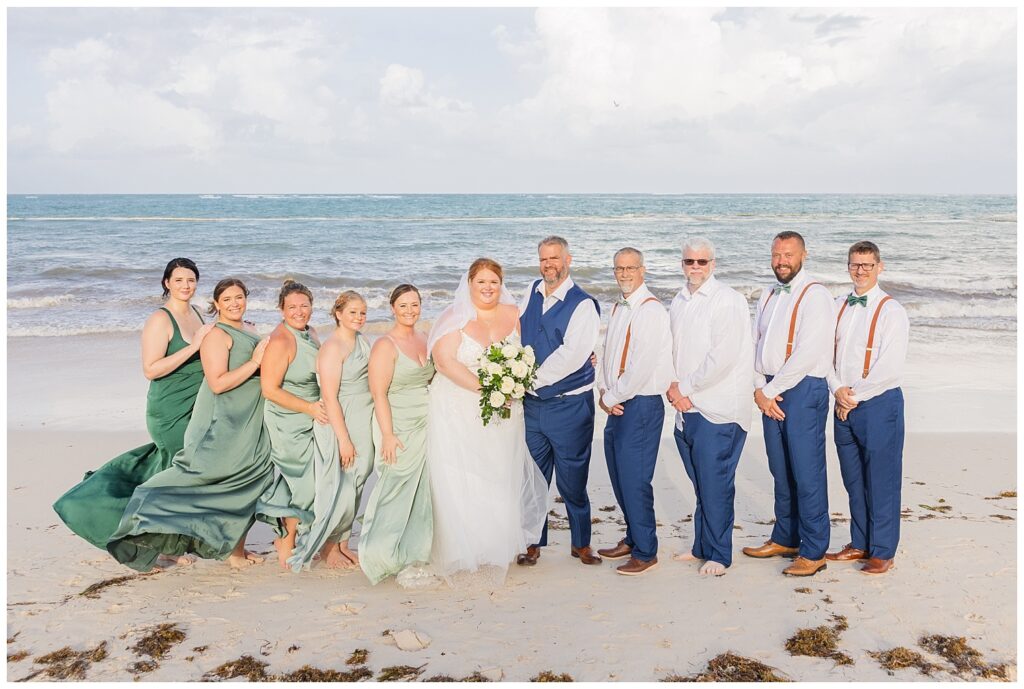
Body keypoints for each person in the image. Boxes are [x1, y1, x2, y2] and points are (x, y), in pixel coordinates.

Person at [53, 258, 215, 565]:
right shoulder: (160, 319)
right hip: (169, 409)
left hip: (196, 405)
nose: (186, 285)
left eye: (191, 279)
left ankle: (170, 540)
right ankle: (151, 539)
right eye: (179, 279)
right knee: (175, 473)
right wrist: (194, 348)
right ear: (167, 282)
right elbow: (150, 369)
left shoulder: (196, 313)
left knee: (169, 471)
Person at [107, 278, 273, 571]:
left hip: (252, 416)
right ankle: (140, 510)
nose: (234, 303)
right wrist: (255, 363)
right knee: (206, 479)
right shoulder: (216, 336)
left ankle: (236, 550)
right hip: (223, 421)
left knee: (250, 480)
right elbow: (218, 383)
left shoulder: (250, 328)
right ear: (216, 304)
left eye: (239, 297)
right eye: (227, 299)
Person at [427, 258, 549, 584]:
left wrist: (511, 383)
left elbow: (525, 354)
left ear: (501, 284)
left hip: (506, 411)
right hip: (461, 408)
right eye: (481, 281)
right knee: (464, 474)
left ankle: (494, 546)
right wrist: (486, 387)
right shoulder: (454, 318)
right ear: (469, 284)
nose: (487, 287)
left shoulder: (513, 314)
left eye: (493, 281)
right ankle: (464, 547)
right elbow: (443, 361)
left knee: (498, 474)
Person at [743, 231, 836, 577]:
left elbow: (809, 352)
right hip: (769, 388)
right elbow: (755, 342)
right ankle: (786, 537)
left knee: (807, 473)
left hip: (803, 389)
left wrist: (771, 391)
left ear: (803, 255)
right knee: (780, 470)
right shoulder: (768, 293)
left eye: (788, 255)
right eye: (777, 255)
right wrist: (757, 386)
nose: (781, 261)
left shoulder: (816, 295)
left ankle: (814, 551)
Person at [666, 238, 754, 577]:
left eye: (702, 262)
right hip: (685, 407)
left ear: (713, 264)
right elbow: (672, 349)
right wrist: (674, 390)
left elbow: (722, 356)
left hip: (718, 410)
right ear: (682, 264)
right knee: (701, 482)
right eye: (690, 261)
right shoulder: (679, 300)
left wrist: (684, 389)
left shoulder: (727, 300)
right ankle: (702, 545)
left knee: (716, 484)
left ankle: (719, 554)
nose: (695, 267)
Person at [517, 237, 602, 567]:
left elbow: (572, 355)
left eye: (554, 258)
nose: (548, 264)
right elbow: (516, 331)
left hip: (570, 407)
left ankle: (581, 543)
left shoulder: (583, 304)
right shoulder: (531, 292)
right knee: (533, 477)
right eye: (543, 259)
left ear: (568, 259)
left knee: (573, 480)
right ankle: (532, 543)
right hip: (532, 407)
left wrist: (527, 379)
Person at [826, 241, 909, 575]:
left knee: (882, 480)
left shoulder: (892, 311)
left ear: (880, 267)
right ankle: (859, 542)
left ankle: (883, 551)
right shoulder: (837, 305)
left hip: (878, 404)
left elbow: (888, 368)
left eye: (867, 265)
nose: (860, 271)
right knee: (853, 479)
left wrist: (852, 397)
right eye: (854, 265)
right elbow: (824, 355)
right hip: (842, 402)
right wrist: (837, 390)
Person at [597, 248, 674, 576]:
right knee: (617, 473)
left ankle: (646, 550)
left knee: (635, 478)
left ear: (643, 270)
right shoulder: (617, 307)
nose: (624, 273)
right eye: (619, 268)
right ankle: (632, 536)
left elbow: (641, 366)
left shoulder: (651, 310)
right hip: (617, 401)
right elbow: (606, 353)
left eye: (630, 268)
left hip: (640, 404)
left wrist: (613, 395)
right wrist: (603, 391)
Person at [359, 284, 435, 585]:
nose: (409, 311)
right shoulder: (385, 345)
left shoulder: (425, 338)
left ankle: (414, 550)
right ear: (392, 308)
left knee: (421, 490)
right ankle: (379, 553)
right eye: (403, 305)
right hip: (396, 423)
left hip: (426, 422)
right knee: (394, 486)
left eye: (414, 304)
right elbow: (378, 393)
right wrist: (388, 435)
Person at [256, 280, 333, 571]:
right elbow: (269, 389)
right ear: (281, 309)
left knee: (299, 484)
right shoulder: (281, 341)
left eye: (304, 306)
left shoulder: (310, 333)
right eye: (292, 307)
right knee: (304, 484)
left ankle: (289, 542)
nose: (299, 312)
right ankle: (285, 543)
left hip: (314, 415)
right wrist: (309, 408)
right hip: (288, 419)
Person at [308, 291, 374, 569]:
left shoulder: (362, 340)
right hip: (342, 417)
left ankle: (343, 543)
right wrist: (343, 440)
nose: (358, 317)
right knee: (343, 482)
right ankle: (328, 546)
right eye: (352, 313)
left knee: (360, 476)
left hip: (363, 412)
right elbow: (330, 396)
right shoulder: (332, 347)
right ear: (338, 314)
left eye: (362, 313)